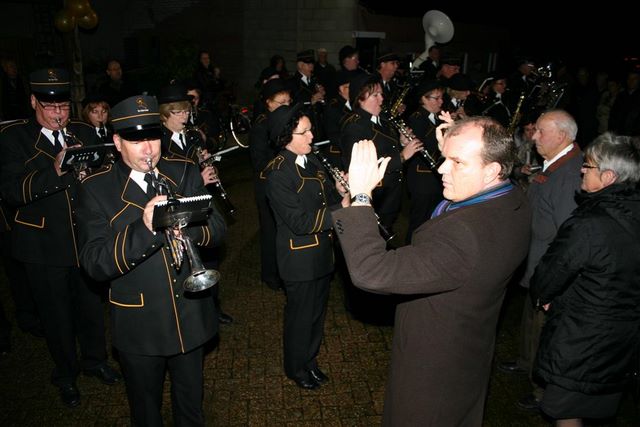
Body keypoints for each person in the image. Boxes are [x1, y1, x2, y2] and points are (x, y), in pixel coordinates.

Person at [332, 116, 531, 425]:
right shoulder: (513, 199)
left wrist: (361, 196)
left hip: (435, 369)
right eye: (444, 158)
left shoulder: (464, 236)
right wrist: (456, 150)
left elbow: (372, 271)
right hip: (471, 348)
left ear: (492, 170)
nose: (440, 169)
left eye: (457, 162)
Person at [76, 95, 226, 425]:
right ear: (118, 142)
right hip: (140, 323)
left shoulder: (182, 171)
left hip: (189, 313)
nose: (148, 149)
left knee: (192, 406)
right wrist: (145, 229)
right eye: (136, 141)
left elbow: (217, 228)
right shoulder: (96, 188)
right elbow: (94, 262)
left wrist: (187, 226)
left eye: (153, 138)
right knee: (146, 411)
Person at [0, 68, 119, 407]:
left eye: (64, 106)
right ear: (33, 101)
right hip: (43, 244)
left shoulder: (84, 131)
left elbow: (107, 176)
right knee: (56, 316)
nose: (58, 113)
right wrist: (55, 169)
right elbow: (12, 191)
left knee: (91, 309)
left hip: (85, 239)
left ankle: (95, 360)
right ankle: (66, 374)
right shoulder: (13, 138)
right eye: (50, 106)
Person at [530, 132, 640, 426]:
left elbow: (552, 272)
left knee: (562, 410)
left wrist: (544, 296)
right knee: (594, 410)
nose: (581, 170)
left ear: (608, 177)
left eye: (588, 166)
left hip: (583, 340)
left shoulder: (590, 223)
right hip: (623, 339)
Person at [498, 110, 583, 411]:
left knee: (543, 328)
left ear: (561, 136)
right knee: (529, 319)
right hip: (536, 263)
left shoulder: (570, 174)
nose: (534, 137)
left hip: (548, 268)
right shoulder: (555, 163)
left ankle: (540, 390)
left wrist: (552, 280)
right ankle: (525, 361)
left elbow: (567, 235)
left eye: (541, 131)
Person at [264, 104, 349, 390]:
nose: (312, 136)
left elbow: (324, 199)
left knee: (316, 315)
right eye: (305, 132)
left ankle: (310, 361)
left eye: (311, 129)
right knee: (300, 319)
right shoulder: (278, 173)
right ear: (286, 137)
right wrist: (342, 209)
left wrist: (338, 192)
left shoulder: (311, 160)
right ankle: (296, 367)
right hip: (299, 260)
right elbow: (299, 222)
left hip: (322, 253)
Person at [340, 72, 421, 234]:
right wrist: (403, 156)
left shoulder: (382, 119)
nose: (381, 99)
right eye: (375, 95)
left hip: (391, 192)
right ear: (360, 99)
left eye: (381, 94)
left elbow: (385, 149)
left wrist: (401, 143)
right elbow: (359, 167)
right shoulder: (354, 126)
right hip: (375, 195)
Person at [249, 79, 291, 291]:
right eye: (281, 102)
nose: (286, 106)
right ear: (268, 103)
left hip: (281, 182)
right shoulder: (261, 125)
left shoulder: (286, 120)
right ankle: (269, 274)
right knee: (269, 230)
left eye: (288, 102)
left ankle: (283, 270)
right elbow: (258, 161)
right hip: (266, 184)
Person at [404, 80, 445, 242]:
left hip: (436, 176)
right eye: (436, 98)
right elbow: (423, 146)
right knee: (419, 221)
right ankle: (410, 248)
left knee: (433, 219)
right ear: (424, 99)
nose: (441, 102)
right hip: (422, 178)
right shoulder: (417, 118)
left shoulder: (437, 118)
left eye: (441, 98)